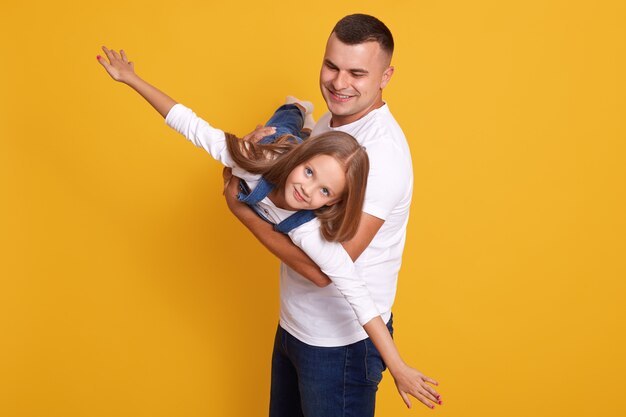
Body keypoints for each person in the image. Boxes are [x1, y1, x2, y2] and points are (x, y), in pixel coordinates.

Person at [96, 45, 440, 414]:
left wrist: (398, 366)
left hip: (336, 345)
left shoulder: (314, 229)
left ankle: (295, 118)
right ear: (306, 158)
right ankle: (298, 113)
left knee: (281, 137)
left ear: (332, 204)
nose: (308, 190)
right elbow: (191, 125)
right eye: (309, 172)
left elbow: (360, 300)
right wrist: (131, 79)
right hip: (295, 324)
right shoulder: (259, 163)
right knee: (281, 128)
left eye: (325, 191)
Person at [223, 14, 442, 416]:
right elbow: (277, 180)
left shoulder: (381, 155)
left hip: (342, 346)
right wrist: (253, 153)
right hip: (296, 327)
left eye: (357, 72)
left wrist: (242, 211)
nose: (339, 83)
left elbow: (325, 269)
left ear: (385, 76)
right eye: (331, 66)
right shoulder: (329, 124)